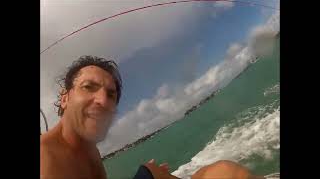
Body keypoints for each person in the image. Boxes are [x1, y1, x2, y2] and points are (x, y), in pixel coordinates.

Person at [41, 55, 264, 179]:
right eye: (89, 87)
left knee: (219, 173)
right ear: (65, 98)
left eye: (111, 95)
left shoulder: (90, 149)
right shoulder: (45, 159)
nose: (103, 100)